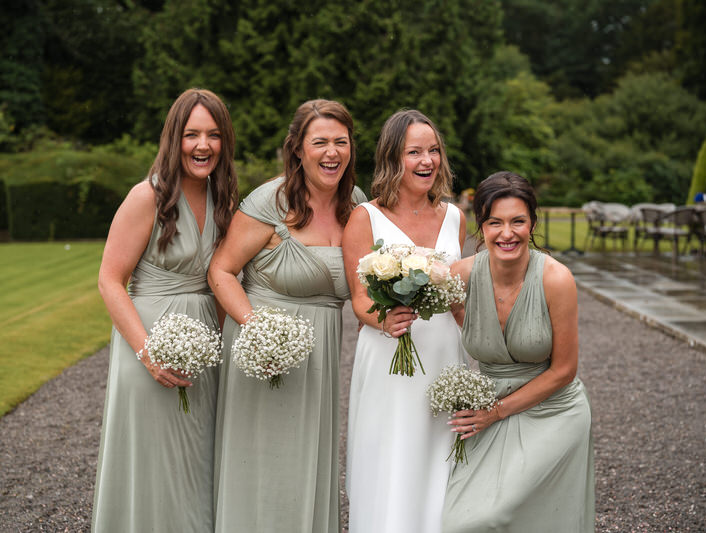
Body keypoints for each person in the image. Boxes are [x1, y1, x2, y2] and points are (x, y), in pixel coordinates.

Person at [208, 99, 366, 533]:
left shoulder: (357, 205)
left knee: (307, 461)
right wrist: (256, 328)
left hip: (321, 358)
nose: (331, 152)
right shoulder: (270, 201)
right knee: (263, 463)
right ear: (297, 148)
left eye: (341, 141)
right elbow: (220, 271)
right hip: (264, 355)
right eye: (320, 142)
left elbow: (369, 285)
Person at [92, 88, 238, 532]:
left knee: (197, 463)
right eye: (191, 134)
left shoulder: (225, 200)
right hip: (149, 347)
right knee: (155, 465)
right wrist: (147, 352)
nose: (203, 145)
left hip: (205, 354)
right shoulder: (147, 197)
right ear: (174, 139)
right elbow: (109, 280)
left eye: (213, 135)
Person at [442, 171, 594, 532]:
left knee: (497, 517)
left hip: (552, 412)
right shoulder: (458, 277)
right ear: (481, 226)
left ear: (533, 224)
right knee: (456, 521)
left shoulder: (556, 279)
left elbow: (564, 370)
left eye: (517, 222)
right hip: (487, 409)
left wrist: (494, 413)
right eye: (495, 222)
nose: (506, 233)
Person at [343, 109, 467, 533]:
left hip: (445, 353)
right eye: (415, 152)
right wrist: (385, 320)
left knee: (439, 452)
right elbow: (359, 301)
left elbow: (458, 298)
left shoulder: (454, 217)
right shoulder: (366, 218)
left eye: (433, 151)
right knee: (392, 453)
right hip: (390, 353)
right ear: (393, 158)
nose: (427, 161)